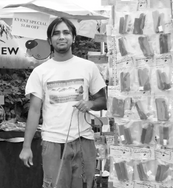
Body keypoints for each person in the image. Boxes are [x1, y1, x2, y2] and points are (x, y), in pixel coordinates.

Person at [19, 17, 107, 188]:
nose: (62, 36)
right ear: (49, 40)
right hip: (53, 143)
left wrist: (90, 104)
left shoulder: (88, 67)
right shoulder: (40, 72)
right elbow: (35, 111)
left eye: (66, 32)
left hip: (84, 141)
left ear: (73, 38)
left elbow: (102, 100)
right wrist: (26, 146)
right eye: (56, 33)